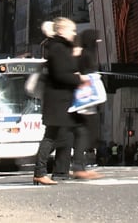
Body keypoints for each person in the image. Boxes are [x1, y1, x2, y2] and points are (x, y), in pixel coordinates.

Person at [33, 18, 89, 185]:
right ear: (61, 31)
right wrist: (79, 78)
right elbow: (60, 74)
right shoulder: (57, 48)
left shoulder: (62, 47)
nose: (74, 33)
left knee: (70, 133)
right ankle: (40, 172)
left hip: (63, 99)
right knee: (51, 137)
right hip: (57, 100)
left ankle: (63, 171)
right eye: (71, 30)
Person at [70, 28, 103, 180]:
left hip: (80, 100)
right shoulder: (88, 55)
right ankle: (78, 166)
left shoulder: (79, 55)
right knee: (85, 133)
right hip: (87, 100)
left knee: (81, 134)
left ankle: (78, 165)